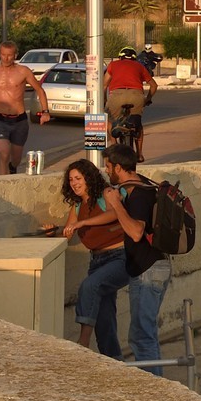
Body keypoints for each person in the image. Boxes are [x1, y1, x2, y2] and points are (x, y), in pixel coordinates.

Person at [48, 159, 130, 359]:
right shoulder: (77, 205)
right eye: (71, 180)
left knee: (89, 286)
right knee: (104, 321)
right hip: (97, 261)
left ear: (88, 178)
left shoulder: (106, 194)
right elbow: (66, 236)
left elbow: (113, 215)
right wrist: (53, 232)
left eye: (78, 178)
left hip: (120, 257)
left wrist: (82, 223)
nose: (74, 183)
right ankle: (114, 364)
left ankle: (83, 341)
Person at [101, 145, 171, 374]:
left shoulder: (140, 195)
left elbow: (136, 232)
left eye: (108, 166)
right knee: (143, 333)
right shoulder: (141, 184)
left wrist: (116, 204)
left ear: (118, 167)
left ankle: (155, 396)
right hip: (149, 268)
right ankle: (158, 389)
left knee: (142, 336)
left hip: (148, 271)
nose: (106, 170)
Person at [0, 40, 51, 175]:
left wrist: (45, 112)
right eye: (3, 55)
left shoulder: (23, 71)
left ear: (15, 55)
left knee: (16, 159)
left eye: (9, 55)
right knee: (4, 152)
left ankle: (12, 167)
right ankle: (3, 183)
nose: (6, 58)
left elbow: (39, 90)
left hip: (19, 120)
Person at [105, 47, 159, 162]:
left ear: (120, 57)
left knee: (109, 120)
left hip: (116, 96)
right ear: (134, 58)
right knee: (137, 123)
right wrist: (147, 99)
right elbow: (154, 86)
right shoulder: (139, 66)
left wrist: (105, 101)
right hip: (136, 96)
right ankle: (139, 154)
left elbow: (104, 85)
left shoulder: (113, 65)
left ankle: (114, 148)